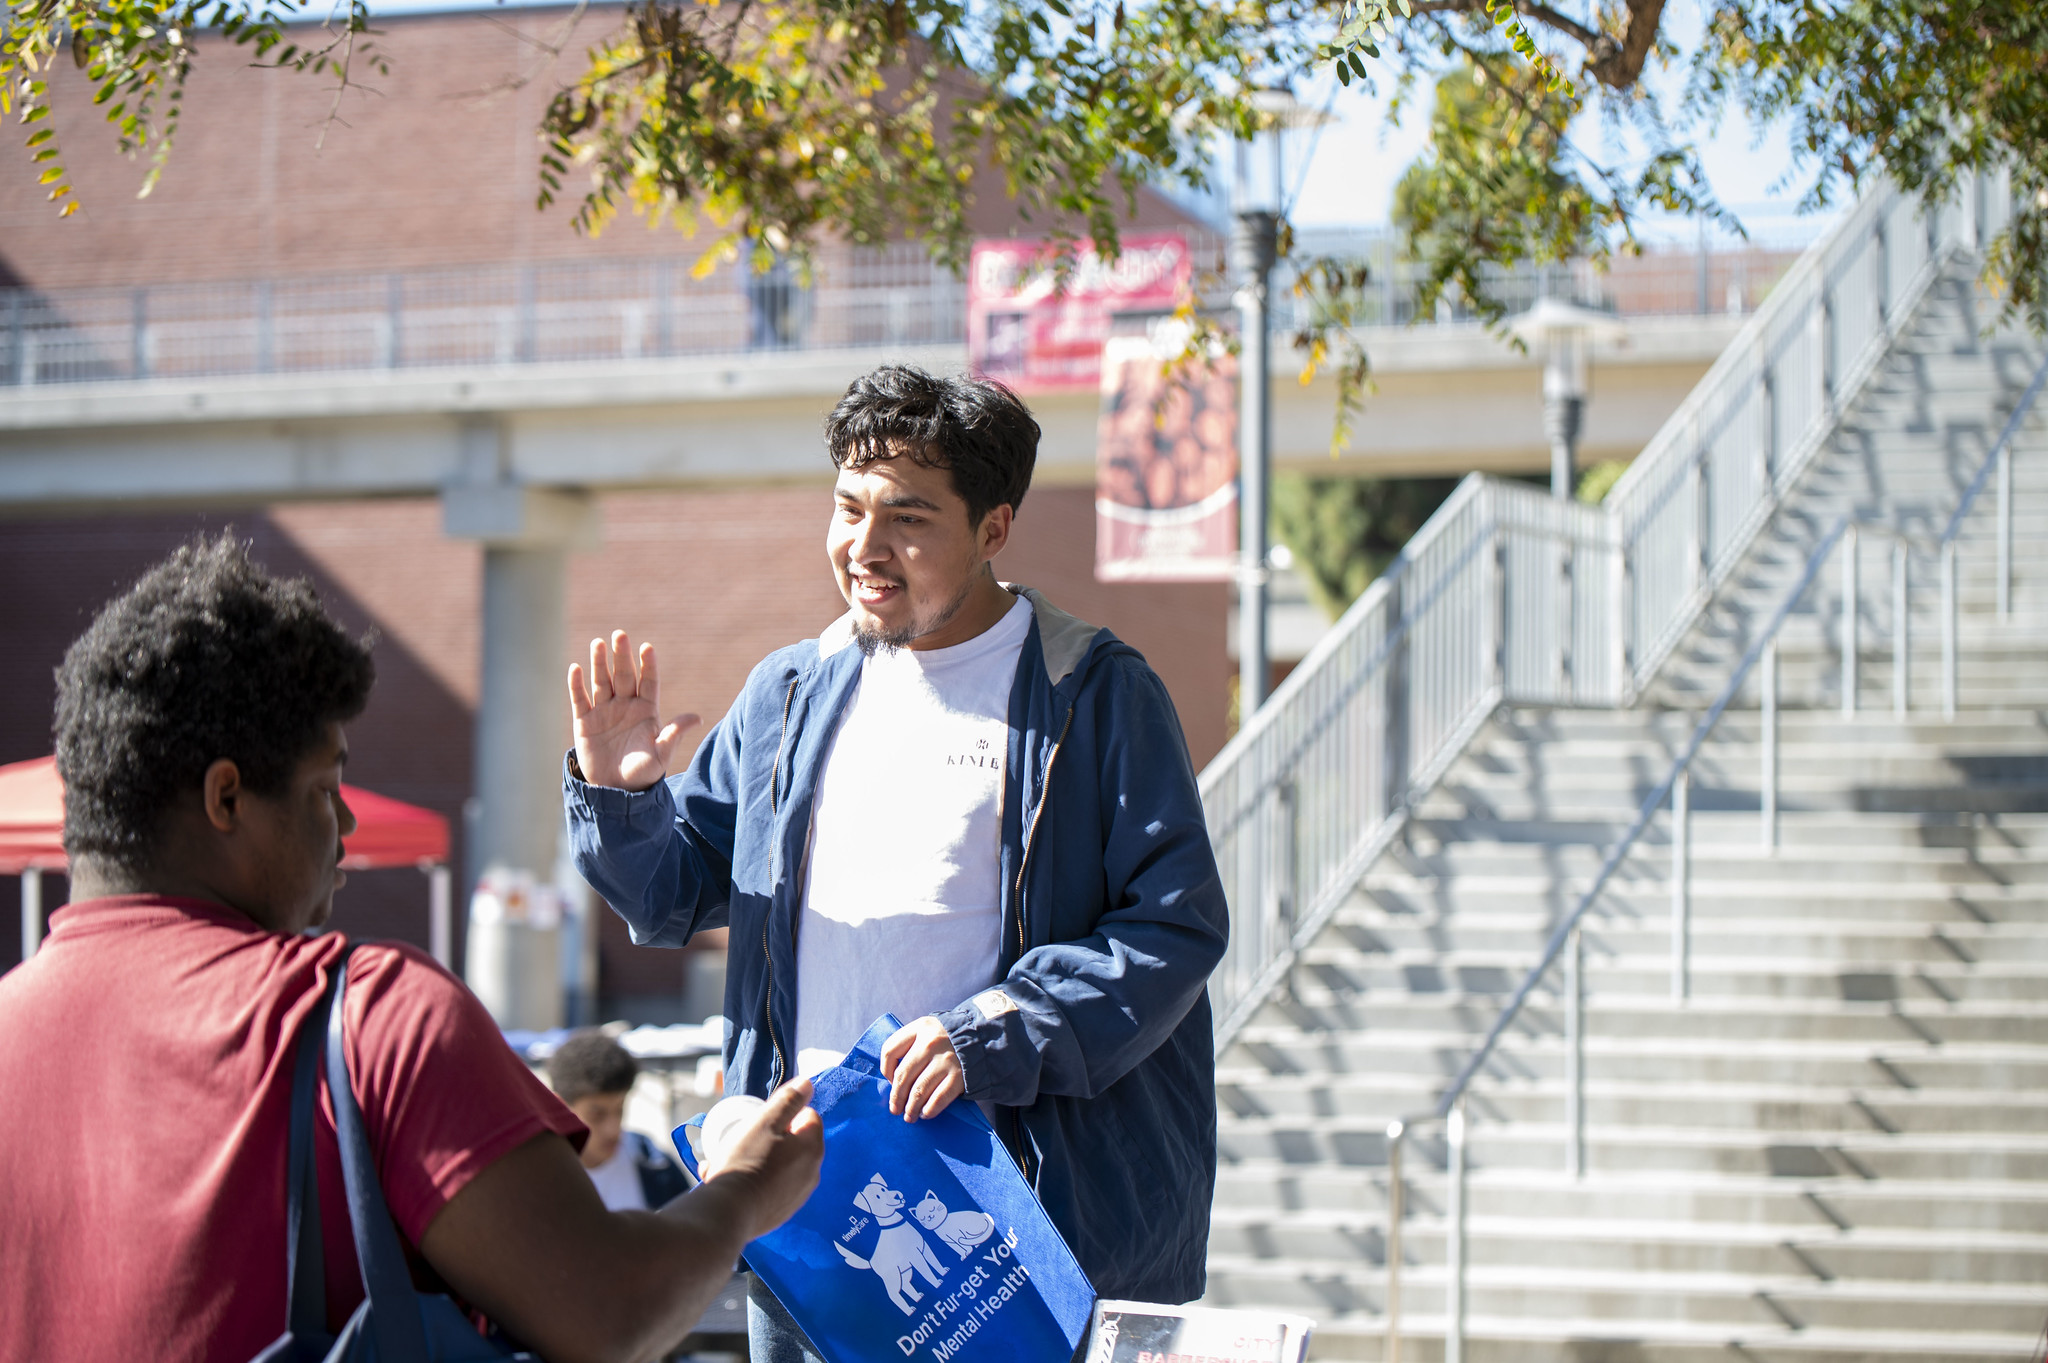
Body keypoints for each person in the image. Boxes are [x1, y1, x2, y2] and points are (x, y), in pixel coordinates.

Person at [0, 535, 822, 1363]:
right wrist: (746, 1190)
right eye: (326, 790)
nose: (346, 827)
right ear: (227, 796)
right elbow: (610, 1311)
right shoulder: (370, 1017)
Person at [563, 365, 1229, 1358]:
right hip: (807, 1220)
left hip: (1007, 1223)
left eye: (907, 520)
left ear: (994, 527)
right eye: (845, 508)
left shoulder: (1089, 691)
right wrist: (620, 799)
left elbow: (1172, 924)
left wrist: (993, 1031)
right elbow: (669, 893)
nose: (863, 550)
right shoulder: (788, 692)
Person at [549, 1029, 692, 1211]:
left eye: (620, 1109)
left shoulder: (656, 1165)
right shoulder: (536, 1179)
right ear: (560, 1106)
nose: (613, 1128)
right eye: (597, 1114)